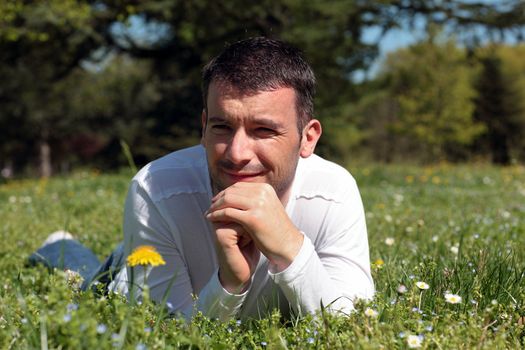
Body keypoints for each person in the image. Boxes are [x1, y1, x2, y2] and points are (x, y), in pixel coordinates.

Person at [30, 37, 374, 321]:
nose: (237, 152)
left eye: (264, 130)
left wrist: (292, 250)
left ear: (308, 137)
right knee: (90, 283)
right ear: (203, 126)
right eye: (222, 127)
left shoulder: (334, 193)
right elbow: (166, 330)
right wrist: (229, 283)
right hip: (145, 263)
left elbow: (353, 323)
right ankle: (61, 247)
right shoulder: (155, 190)